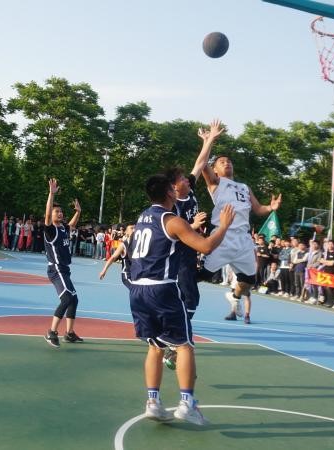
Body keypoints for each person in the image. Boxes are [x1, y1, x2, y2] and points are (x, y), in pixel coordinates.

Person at [128, 174, 234, 425]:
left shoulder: (143, 218)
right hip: (162, 289)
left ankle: (153, 402)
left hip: (137, 290)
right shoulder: (172, 220)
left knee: (155, 346)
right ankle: (187, 403)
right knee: (185, 345)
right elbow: (206, 247)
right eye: (173, 189)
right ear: (169, 193)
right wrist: (224, 226)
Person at [198, 142, 282, 323]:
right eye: (221, 162)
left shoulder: (244, 187)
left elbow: (258, 209)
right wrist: (208, 141)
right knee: (202, 275)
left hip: (243, 239)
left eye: (228, 161)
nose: (227, 163)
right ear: (215, 170)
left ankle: (234, 296)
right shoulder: (216, 183)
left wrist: (271, 207)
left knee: (249, 281)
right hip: (223, 235)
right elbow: (202, 163)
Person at [161, 119, 222, 368]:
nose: (187, 179)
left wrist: (209, 140)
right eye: (182, 180)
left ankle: (170, 335)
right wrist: (194, 226)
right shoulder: (172, 206)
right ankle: (173, 341)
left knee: (186, 296)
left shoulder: (191, 191)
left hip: (189, 256)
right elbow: (174, 232)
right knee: (191, 299)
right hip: (178, 258)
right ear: (173, 188)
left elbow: (200, 162)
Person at [43, 178, 83, 348]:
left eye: (61, 211)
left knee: (74, 299)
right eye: (57, 211)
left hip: (64, 269)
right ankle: (51, 332)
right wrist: (51, 194)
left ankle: (69, 333)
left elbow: (72, 224)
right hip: (56, 269)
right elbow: (46, 215)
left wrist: (78, 212)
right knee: (67, 298)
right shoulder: (51, 230)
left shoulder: (62, 228)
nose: (60, 213)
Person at [99, 222, 135, 288]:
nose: (134, 230)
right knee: (136, 290)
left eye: (135, 228)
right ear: (126, 232)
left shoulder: (139, 244)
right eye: (132, 228)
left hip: (137, 274)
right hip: (127, 274)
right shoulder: (123, 245)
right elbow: (112, 258)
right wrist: (104, 270)